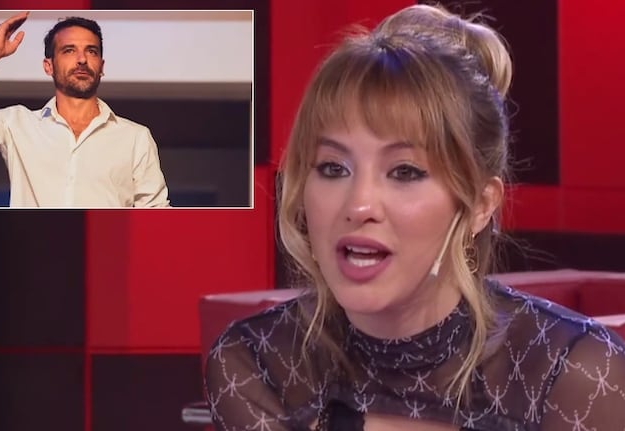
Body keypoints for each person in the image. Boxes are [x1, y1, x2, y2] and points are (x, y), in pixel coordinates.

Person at [204, 4, 625, 431]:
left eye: (404, 172)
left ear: (479, 205)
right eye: (333, 168)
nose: (359, 206)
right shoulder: (257, 363)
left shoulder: (577, 374)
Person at [0, 12, 170, 207]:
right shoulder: (18, 124)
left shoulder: (135, 137)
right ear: (48, 66)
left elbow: (156, 216)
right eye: (69, 50)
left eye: (91, 51)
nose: (82, 59)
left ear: (101, 66)